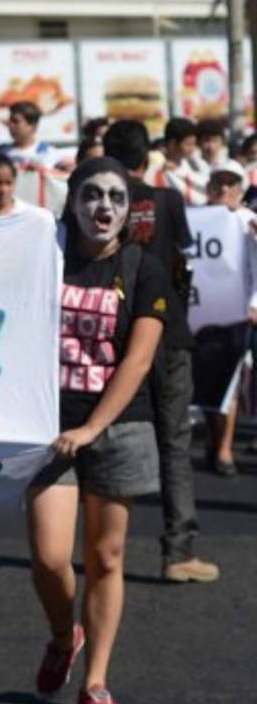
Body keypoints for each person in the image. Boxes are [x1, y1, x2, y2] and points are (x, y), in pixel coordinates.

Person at [29, 156, 171, 704]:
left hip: (120, 425)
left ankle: (96, 681)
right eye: (91, 195)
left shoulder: (145, 269)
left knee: (106, 556)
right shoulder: (46, 260)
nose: (103, 208)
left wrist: (92, 429)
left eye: (115, 196)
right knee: (49, 556)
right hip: (49, 426)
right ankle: (66, 637)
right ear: (73, 201)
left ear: (129, 206)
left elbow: (137, 363)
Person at [101, 121, 219, 583]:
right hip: (167, 334)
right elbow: (184, 256)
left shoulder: (93, 201)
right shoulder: (167, 199)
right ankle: (178, 551)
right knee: (173, 442)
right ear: (146, 156)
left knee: (99, 436)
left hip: (110, 336)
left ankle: (98, 545)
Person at [202, 160, 257, 474]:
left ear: (239, 189)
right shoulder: (196, 218)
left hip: (241, 312)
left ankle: (224, 449)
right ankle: (214, 438)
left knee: (233, 381)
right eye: (218, 183)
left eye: (230, 184)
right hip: (207, 314)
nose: (224, 190)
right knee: (212, 380)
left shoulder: (247, 220)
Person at [0, 101, 58, 168]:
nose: (10, 125)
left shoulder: (49, 153)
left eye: (16, 121)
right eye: (10, 121)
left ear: (32, 126)